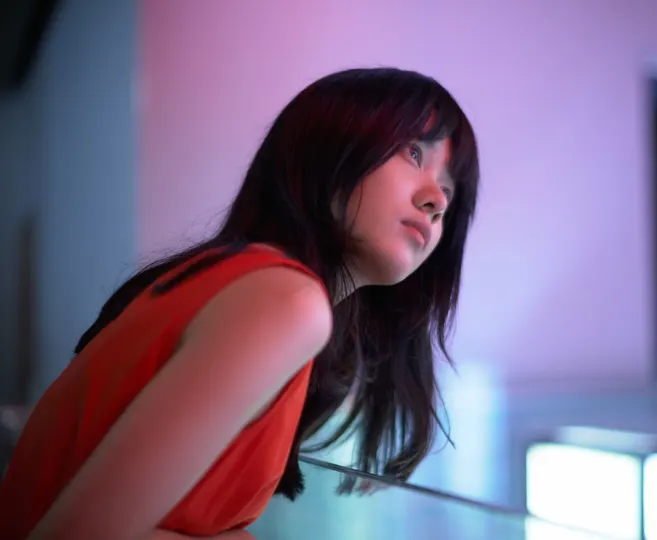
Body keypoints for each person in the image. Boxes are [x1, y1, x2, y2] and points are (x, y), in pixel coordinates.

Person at [0, 67, 480, 540]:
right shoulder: (285, 300)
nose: (437, 201)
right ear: (330, 146)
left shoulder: (244, 283)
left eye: (449, 190)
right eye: (414, 153)